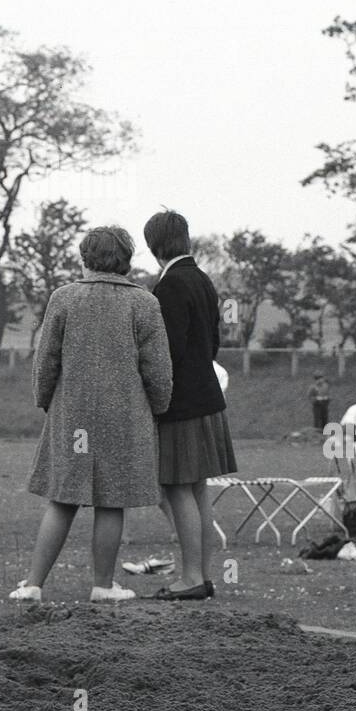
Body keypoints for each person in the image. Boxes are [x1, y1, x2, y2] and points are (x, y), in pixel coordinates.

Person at [11, 227, 173, 602]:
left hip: (72, 414)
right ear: (126, 259)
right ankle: (103, 586)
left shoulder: (63, 298)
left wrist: (45, 399)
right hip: (127, 415)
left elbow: (46, 359)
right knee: (111, 500)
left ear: (85, 257)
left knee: (62, 498)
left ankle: (33, 584)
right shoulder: (145, 303)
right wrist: (159, 407)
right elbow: (158, 370)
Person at [142, 210, 238, 601]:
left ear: (154, 245)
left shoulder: (170, 287)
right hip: (207, 397)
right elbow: (212, 343)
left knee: (178, 487)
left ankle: (191, 578)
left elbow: (168, 353)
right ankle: (201, 574)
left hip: (181, 403)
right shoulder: (201, 279)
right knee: (196, 489)